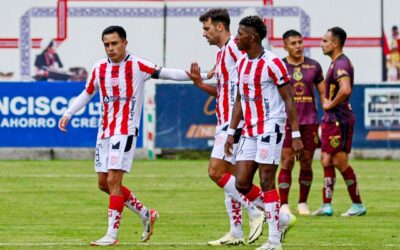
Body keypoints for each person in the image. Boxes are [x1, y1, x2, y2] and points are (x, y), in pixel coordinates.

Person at [58, 25, 208, 246]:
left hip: (125, 130)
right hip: (105, 131)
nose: (110, 48)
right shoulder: (99, 67)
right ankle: (147, 214)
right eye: (107, 45)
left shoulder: (137, 65)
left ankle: (112, 235)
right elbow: (87, 92)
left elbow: (166, 73)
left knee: (114, 180)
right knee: (103, 184)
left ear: (125, 43)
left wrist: (202, 77)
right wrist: (69, 112)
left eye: (114, 43)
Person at [224, 16, 304, 250]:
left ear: (253, 37)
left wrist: (296, 135)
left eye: (240, 34)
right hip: (249, 129)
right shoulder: (241, 63)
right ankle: (281, 218)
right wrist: (231, 131)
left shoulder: (272, 62)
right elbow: (240, 99)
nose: (236, 38)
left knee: (267, 180)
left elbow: (289, 100)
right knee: (241, 183)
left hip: (271, 127)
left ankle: (273, 241)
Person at [190, 8, 265, 246]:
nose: (204, 34)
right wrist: (201, 84)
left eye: (207, 28)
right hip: (226, 121)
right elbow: (223, 90)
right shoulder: (223, 54)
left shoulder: (234, 46)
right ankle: (236, 231)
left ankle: (257, 210)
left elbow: (251, 73)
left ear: (220, 27)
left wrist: (236, 125)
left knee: (215, 172)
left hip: (235, 123)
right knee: (230, 178)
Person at [312, 27, 367, 217]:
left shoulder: (341, 64)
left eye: (325, 41)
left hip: (338, 120)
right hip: (331, 121)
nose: (322, 44)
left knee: (339, 161)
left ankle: (358, 205)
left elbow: (345, 89)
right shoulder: (335, 63)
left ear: (335, 44)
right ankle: (326, 205)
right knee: (326, 159)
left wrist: (329, 104)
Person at [277, 30, 324, 217]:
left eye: (300, 42)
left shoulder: (314, 66)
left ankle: (303, 203)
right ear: (285, 46)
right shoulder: (279, 66)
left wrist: (329, 111)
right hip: (287, 122)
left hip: (309, 122)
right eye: (293, 43)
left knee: (306, 163)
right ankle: (283, 204)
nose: (298, 46)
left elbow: (323, 94)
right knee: (287, 161)